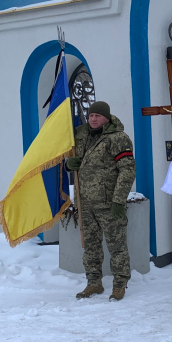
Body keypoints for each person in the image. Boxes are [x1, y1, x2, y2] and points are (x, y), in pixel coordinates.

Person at [65, 101, 136, 301]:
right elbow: (74, 162)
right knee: (91, 246)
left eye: (97, 115)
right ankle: (94, 283)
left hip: (108, 203)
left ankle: (120, 284)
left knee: (117, 246)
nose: (93, 119)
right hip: (86, 203)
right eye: (91, 115)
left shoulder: (118, 138)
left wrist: (118, 200)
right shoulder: (81, 136)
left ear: (107, 117)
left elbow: (127, 170)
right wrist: (69, 165)